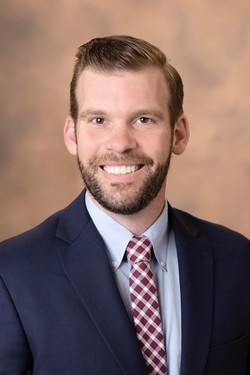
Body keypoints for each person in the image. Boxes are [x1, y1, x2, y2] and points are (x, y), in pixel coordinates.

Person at [0, 35, 249, 375]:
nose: (120, 144)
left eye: (143, 119)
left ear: (178, 134)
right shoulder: (11, 275)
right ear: (73, 135)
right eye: (99, 120)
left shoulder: (238, 260)